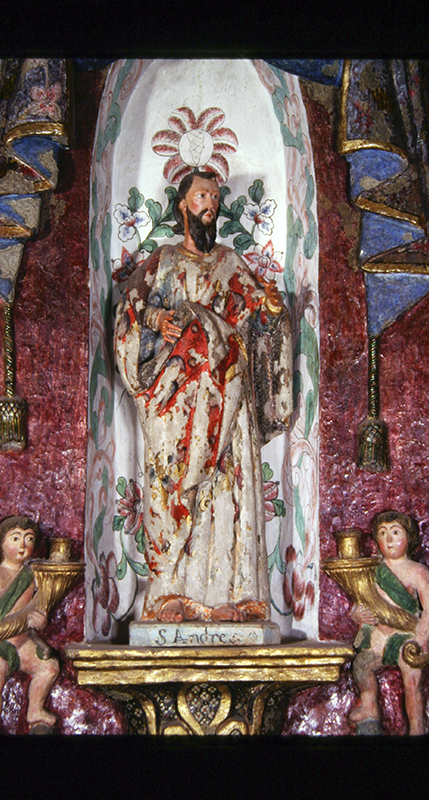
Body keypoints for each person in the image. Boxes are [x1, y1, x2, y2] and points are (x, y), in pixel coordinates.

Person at [114, 170, 293, 624]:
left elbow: (260, 316)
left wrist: (272, 309)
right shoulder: (163, 260)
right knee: (170, 482)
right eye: (201, 196)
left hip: (227, 394)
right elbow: (129, 309)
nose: (209, 204)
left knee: (229, 485)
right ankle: (169, 592)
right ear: (182, 205)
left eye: (214, 197)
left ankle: (233, 593)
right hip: (175, 394)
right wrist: (156, 319)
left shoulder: (231, 263)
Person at [347, 510, 429, 735]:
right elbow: (360, 602)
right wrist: (358, 615)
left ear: (409, 537)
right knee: (361, 664)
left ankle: (417, 727)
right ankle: (369, 706)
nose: (388, 539)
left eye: (395, 533)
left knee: (412, 677)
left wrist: (421, 639)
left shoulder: (417, 572)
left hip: (408, 635)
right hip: (380, 635)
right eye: (382, 533)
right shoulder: (373, 571)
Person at [0, 515, 59, 732]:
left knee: (49, 667)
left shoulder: (32, 577)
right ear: (1, 542)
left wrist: (41, 621)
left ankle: (35, 710)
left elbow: (39, 606)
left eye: (29, 539)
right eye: (16, 538)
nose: (23, 546)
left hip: (21, 643)